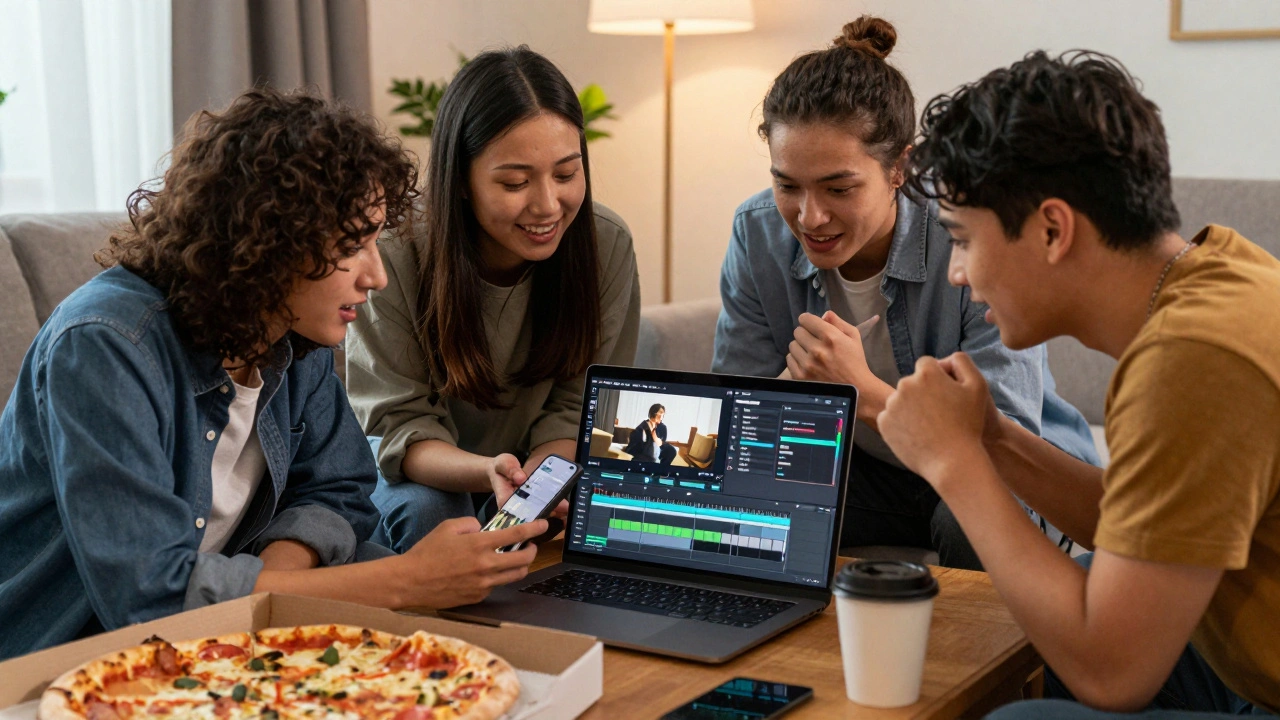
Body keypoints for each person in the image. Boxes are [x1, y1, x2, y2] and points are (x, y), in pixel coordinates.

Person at [0, 88, 547, 660]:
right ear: (268, 242)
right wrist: (403, 581)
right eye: (351, 245)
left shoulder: (289, 332)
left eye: (375, 242)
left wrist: (273, 585)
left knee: (466, 646)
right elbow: (149, 599)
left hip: (219, 631)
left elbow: (339, 488)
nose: (376, 276)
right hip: (73, 654)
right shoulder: (105, 346)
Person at [879, 50, 1280, 715]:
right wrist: (992, 439)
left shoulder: (1192, 359)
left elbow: (1111, 673)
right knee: (1069, 602)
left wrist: (952, 462)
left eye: (963, 239)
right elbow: (1142, 525)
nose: (958, 272)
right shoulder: (1220, 270)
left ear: (1052, 229)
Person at [711, 16, 1098, 569]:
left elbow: (1000, 441)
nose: (809, 216)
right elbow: (738, 414)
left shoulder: (968, 233)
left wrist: (861, 392)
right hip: (872, 474)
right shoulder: (757, 232)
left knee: (974, 517)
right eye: (787, 185)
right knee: (740, 495)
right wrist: (784, 394)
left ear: (900, 168)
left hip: (1001, 468)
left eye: (839, 188)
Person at [346, 46, 641, 554]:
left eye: (567, 175)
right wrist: (489, 473)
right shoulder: (392, 254)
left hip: (533, 467)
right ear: (460, 180)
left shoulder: (604, 243)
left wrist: (537, 482)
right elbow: (400, 427)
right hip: (420, 476)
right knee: (435, 513)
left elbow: (581, 406)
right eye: (514, 182)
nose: (548, 205)